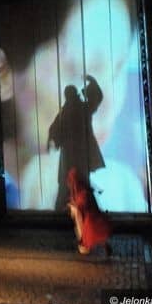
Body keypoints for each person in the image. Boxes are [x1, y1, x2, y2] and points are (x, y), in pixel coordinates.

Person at [0, 0, 149, 212]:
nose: (108, 102)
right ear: (3, 72)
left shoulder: (123, 193)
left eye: (118, 68)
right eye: (79, 68)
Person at [48, 76, 105, 211]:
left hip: (77, 154)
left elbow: (54, 129)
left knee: (75, 181)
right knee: (70, 182)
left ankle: (77, 208)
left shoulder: (78, 109)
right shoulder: (78, 109)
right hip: (73, 154)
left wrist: (92, 83)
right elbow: (55, 129)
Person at [66, 167, 112, 256]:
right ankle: (89, 246)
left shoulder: (82, 191)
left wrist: (75, 205)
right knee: (92, 233)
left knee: (91, 233)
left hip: (89, 216)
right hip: (88, 216)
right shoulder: (81, 189)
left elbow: (82, 202)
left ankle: (86, 246)